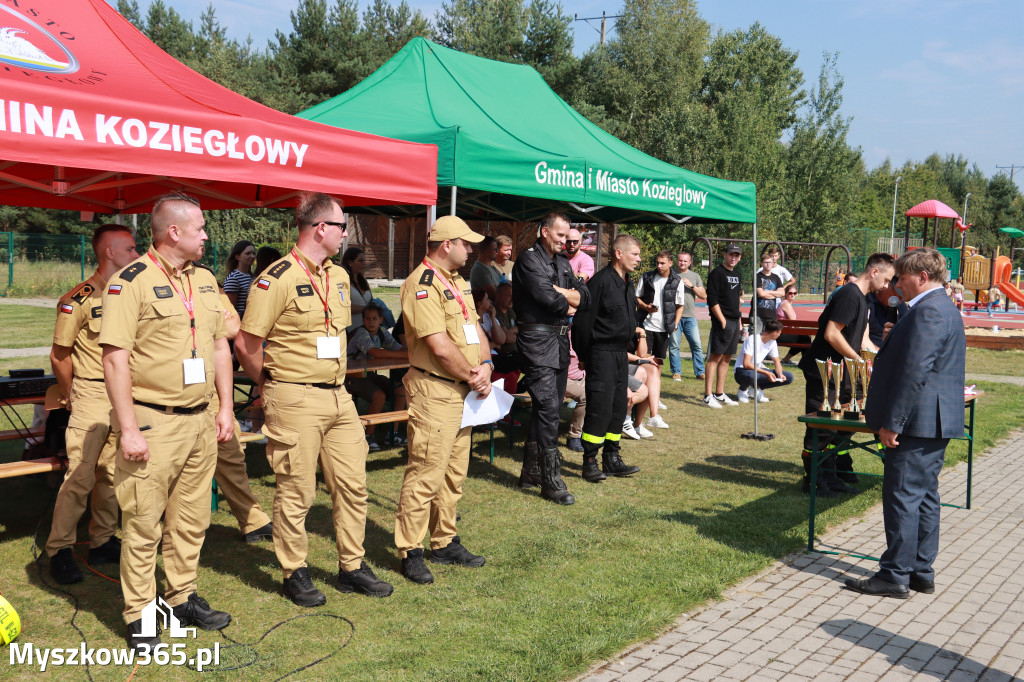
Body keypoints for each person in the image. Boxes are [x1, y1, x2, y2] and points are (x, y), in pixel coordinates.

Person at [236, 192, 393, 606]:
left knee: (353, 485)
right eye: (342, 226)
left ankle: (352, 566)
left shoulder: (338, 276)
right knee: (297, 490)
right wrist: (268, 385)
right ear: (321, 228)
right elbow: (247, 343)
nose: (346, 233)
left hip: (338, 396)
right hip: (295, 397)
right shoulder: (277, 277)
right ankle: (295, 571)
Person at [100, 193, 235, 650]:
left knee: (192, 519)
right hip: (154, 422)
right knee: (142, 522)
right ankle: (140, 616)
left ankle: (181, 598)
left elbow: (219, 346)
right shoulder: (129, 282)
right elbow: (115, 360)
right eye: (199, 227)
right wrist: (129, 430)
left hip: (200, 422)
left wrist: (225, 407)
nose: (205, 234)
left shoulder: (206, 280)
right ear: (173, 232)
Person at [844, 248, 966, 598]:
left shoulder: (928, 312)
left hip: (915, 423)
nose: (896, 283)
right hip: (932, 422)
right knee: (925, 497)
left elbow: (915, 373)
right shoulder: (938, 308)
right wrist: (895, 334)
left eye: (901, 277)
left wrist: (892, 423)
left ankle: (894, 574)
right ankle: (919, 571)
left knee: (902, 498)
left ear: (921, 278)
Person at [395, 215, 491, 585]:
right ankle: (410, 549)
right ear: (445, 245)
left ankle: (444, 539)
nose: (470, 250)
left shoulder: (457, 282)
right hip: (435, 390)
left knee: (453, 474)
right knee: (425, 472)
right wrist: (473, 374)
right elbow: (438, 344)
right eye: (465, 243)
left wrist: (485, 363)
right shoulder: (422, 285)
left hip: (463, 390)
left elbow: (475, 329)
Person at [45, 224, 139, 585]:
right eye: (130, 249)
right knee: (80, 475)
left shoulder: (129, 293)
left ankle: (102, 540)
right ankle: (59, 549)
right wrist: (72, 393)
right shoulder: (79, 298)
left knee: (112, 473)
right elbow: (59, 355)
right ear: (110, 253)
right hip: (92, 393)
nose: (136, 254)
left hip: (124, 394)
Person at [798, 253, 895, 497]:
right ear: (874, 272)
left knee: (840, 426)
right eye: (886, 279)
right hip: (825, 371)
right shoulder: (849, 295)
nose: (887, 286)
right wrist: (857, 360)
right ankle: (814, 481)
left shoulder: (863, 299)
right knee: (822, 428)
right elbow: (832, 333)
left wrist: (876, 360)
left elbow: (861, 337)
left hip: (842, 373)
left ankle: (831, 477)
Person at [512, 212, 590, 505]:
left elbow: (586, 297)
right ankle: (550, 479)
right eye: (560, 235)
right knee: (547, 407)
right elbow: (551, 300)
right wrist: (567, 297)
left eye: (568, 236)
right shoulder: (529, 260)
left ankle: (531, 471)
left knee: (551, 406)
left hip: (558, 341)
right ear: (544, 231)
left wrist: (567, 295)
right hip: (536, 340)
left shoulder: (560, 261)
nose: (566, 241)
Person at [571, 234, 642, 482]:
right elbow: (582, 322)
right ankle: (589, 461)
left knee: (617, 407)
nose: (639, 259)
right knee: (599, 409)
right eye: (635, 254)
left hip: (620, 355)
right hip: (600, 354)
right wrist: (583, 355)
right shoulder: (600, 282)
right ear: (619, 254)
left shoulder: (627, 283)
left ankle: (612, 458)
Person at [210, 291, 274, 542]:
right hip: (167, 392)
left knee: (231, 453)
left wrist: (198, 323)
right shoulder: (144, 282)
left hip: (211, 387)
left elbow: (235, 327)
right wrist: (214, 323)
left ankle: (253, 522)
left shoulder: (208, 285)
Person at [345, 303, 408, 452]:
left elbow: (396, 347)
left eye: (374, 318)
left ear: (381, 320)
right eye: (367, 319)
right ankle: (369, 435)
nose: (371, 322)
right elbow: (375, 352)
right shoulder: (361, 333)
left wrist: (406, 351)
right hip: (351, 377)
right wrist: (405, 354)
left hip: (369, 375)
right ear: (362, 320)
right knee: (379, 395)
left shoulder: (381, 332)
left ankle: (394, 431)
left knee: (400, 387)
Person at [704, 243, 744, 408]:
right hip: (723, 320)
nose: (733, 258)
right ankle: (707, 396)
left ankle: (719, 393)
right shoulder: (717, 273)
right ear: (725, 255)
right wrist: (722, 321)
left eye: (736, 255)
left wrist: (739, 321)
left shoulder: (738, 273)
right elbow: (712, 299)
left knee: (727, 357)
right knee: (715, 357)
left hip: (735, 320)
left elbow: (738, 299)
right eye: (731, 254)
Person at [635, 250, 681, 367]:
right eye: (657, 263)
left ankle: (655, 385)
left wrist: (675, 324)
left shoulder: (677, 281)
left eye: (662, 263)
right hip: (646, 325)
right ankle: (644, 385)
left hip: (664, 328)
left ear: (670, 263)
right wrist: (646, 307)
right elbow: (636, 298)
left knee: (658, 362)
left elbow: (680, 306)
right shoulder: (647, 277)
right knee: (645, 360)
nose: (659, 266)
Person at [668, 250, 706, 381]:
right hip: (674, 316)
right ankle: (676, 372)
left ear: (689, 263)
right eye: (680, 260)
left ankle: (700, 372)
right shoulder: (670, 274)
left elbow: (703, 295)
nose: (682, 263)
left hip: (690, 317)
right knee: (674, 345)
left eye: (685, 261)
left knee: (696, 345)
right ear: (676, 261)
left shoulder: (695, 276)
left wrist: (692, 286)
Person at [734, 318, 793, 403]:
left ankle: (756, 389)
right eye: (779, 332)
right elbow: (746, 364)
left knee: (789, 377)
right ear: (774, 333)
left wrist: (780, 374)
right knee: (752, 375)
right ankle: (742, 391)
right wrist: (766, 373)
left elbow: (777, 362)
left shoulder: (773, 342)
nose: (780, 334)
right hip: (742, 371)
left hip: (757, 371)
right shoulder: (752, 339)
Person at [627, 329, 664, 437]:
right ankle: (626, 419)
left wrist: (642, 333)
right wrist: (642, 360)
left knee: (652, 369)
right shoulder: (617, 322)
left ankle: (652, 416)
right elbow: (618, 353)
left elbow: (642, 354)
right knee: (643, 374)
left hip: (629, 363)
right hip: (615, 364)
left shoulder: (634, 323)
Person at [342, 246, 374, 333]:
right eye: (360, 261)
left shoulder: (363, 281)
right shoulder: (343, 282)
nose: (364, 264)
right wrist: (366, 308)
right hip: (352, 331)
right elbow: (343, 307)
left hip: (368, 330)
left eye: (364, 261)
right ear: (350, 262)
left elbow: (371, 300)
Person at [777, 284, 811, 365]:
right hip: (781, 334)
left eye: (794, 293)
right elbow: (794, 322)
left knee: (803, 338)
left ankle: (790, 360)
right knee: (805, 338)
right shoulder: (786, 304)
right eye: (790, 293)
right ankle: (805, 362)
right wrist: (804, 332)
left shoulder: (785, 303)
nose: (792, 295)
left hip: (784, 332)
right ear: (785, 294)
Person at [752, 254, 784, 334]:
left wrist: (767, 292)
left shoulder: (776, 277)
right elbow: (761, 294)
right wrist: (775, 294)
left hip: (771, 314)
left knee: (769, 338)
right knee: (755, 339)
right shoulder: (757, 277)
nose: (768, 264)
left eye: (770, 262)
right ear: (762, 263)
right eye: (765, 262)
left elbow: (782, 293)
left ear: (773, 263)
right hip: (758, 314)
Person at [223, 240, 255, 319]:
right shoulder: (233, 279)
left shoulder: (251, 276)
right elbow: (230, 309)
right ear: (237, 257)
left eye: (253, 253)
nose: (252, 256)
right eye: (248, 253)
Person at [564, 342, 587, 452]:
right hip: (563, 380)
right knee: (586, 396)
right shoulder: (567, 333)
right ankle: (574, 436)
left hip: (582, 377)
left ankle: (589, 432)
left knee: (601, 391)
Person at [469, 236, 501, 300]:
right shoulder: (479, 270)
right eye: (495, 249)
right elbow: (495, 295)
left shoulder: (491, 267)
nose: (497, 252)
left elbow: (506, 282)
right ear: (487, 252)